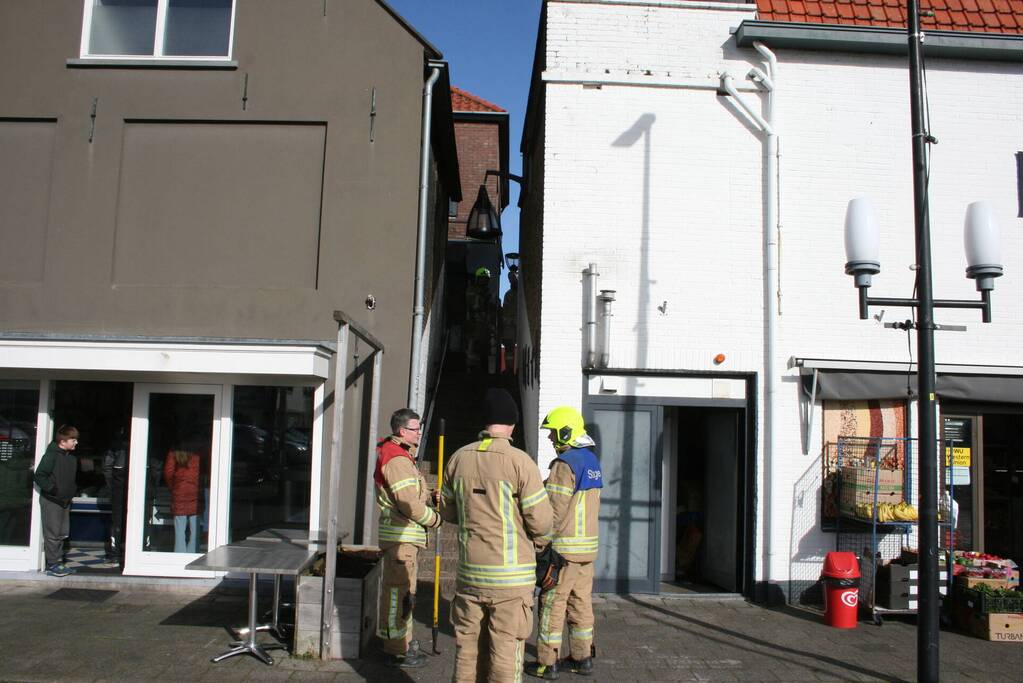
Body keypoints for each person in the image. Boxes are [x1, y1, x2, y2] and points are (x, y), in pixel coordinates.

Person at [439, 388, 553, 682]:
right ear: (512, 423)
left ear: (485, 422)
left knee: (467, 651)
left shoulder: (458, 459)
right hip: (511, 580)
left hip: (470, 576)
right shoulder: (520, 462)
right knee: (505, 652)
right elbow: (540, 522)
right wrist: (539, 543)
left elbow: (448, 512)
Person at [525, 406, 603, 680]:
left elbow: (553, 512)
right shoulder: (592, 461)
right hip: (586, 552)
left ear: (566, 431)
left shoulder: (564, 464)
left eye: (553, 432)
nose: (550, 438)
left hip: (563, 552)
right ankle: (582, 659)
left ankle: (547, 662)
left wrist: (540, 542)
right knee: (581, 604)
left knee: (552, 605)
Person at [374, 408, 441, 669]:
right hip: (401, 539)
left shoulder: (402, 456)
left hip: (405, 539)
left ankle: (404, 640)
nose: (419, 432)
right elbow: (409, 505)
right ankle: (395, 648)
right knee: (399, 594)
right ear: (402, 431)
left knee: (405, 593)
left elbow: (412, 495)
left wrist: (429, 495)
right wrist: (435, 519)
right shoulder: (398, 459)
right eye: (415, 428)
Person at [33, 425, 80, 577]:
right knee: (52, 533)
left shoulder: (71, 458)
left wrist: (71, 491)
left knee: (62, 533)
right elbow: (40, 475)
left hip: (65, 501)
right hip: (52, 500)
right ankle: (52, 564)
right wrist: (53, 490)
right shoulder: (51, 456)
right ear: (63, 441)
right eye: (73, 440)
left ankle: (58, 562)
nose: (76, 443)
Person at [163, 447, 200, 553]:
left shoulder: (174, 452)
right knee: (195, 530)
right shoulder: (198, 452)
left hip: (180, 492)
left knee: (179, 530)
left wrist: (173, 487)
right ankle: (193, 555)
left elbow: (168, 472)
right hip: (196, 492)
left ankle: (179, 556)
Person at [102, 428, 129, 564]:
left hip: (118, 485)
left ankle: (115, 553)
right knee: (134, 519)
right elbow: (156, 466)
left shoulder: (116, 445)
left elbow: (107, 467)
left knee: (117, 519)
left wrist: (111, 486)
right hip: (126, 485)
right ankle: (132, 551)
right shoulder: (144, 437)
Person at [465, 266, 495, 373]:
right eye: (483, 278)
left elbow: (490, 309)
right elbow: (472, 305)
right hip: (473, 323)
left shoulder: (488, 293)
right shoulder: (472, 290)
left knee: (484, 347)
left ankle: (481, 368)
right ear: (478, 279)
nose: (485, 281)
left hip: (484, 325)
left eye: (486, 279)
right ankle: (471, 368)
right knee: (473, 346)